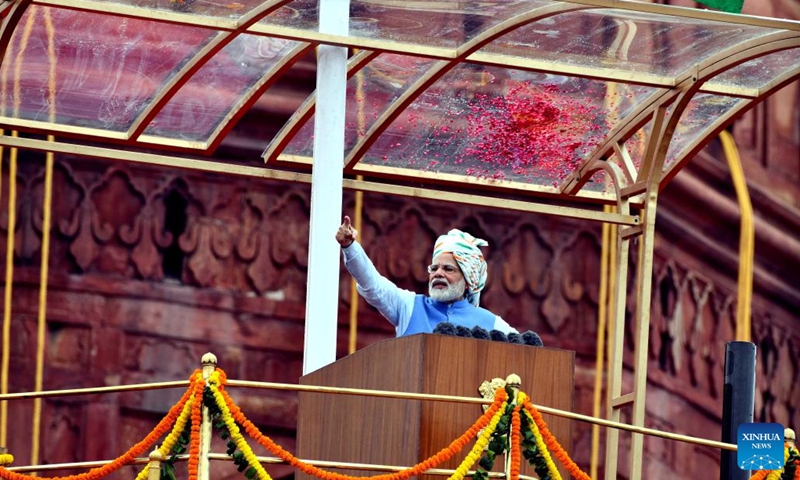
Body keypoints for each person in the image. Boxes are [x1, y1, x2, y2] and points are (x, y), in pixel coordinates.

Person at [336, 215, 518, 337]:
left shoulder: (492, 324)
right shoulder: (408, 306)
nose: (438, 273)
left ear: (469, 280)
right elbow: (373, 285)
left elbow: (527, 355)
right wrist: (350, 247)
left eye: (448, 269)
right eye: (435, 268)